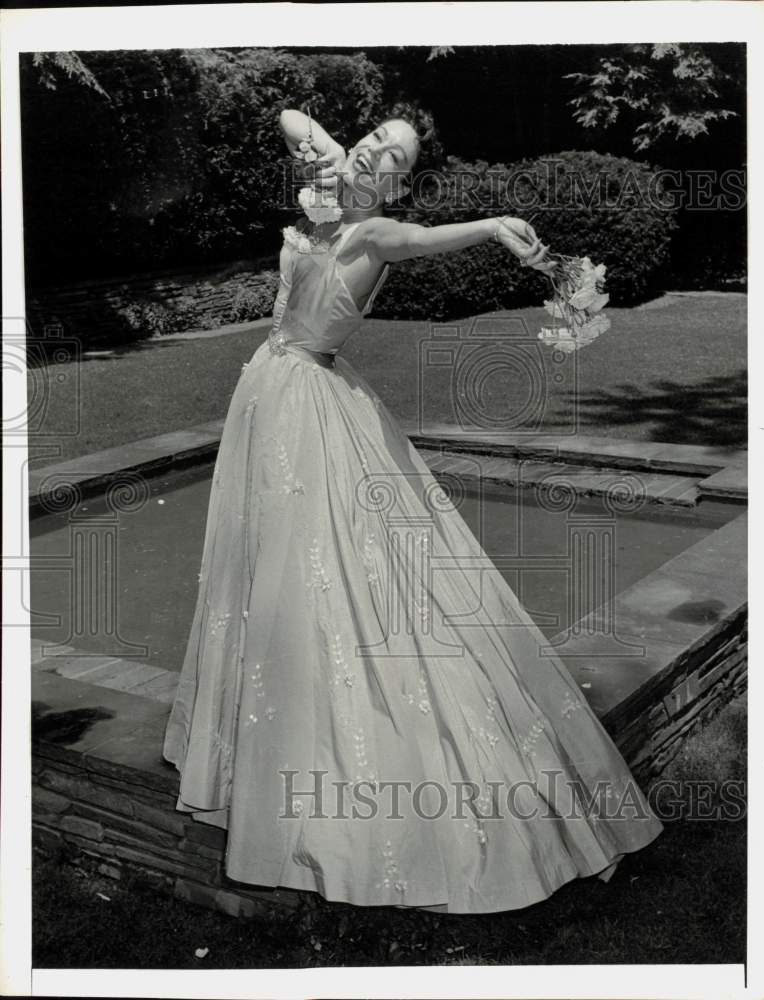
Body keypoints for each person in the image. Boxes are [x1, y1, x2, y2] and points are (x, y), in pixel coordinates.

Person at [162, 110, 662, 914]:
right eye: (369, 140)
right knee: (266, 558)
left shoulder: (374, 234)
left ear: (398, 185)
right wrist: (333, 154)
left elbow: (419, 242)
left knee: (321, 563)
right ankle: (252, 736)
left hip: (305, 396)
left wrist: (495, 224)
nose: (368, 153)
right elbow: (291, 118)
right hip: (275, 389)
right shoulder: (326, 210)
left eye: (389, 156)